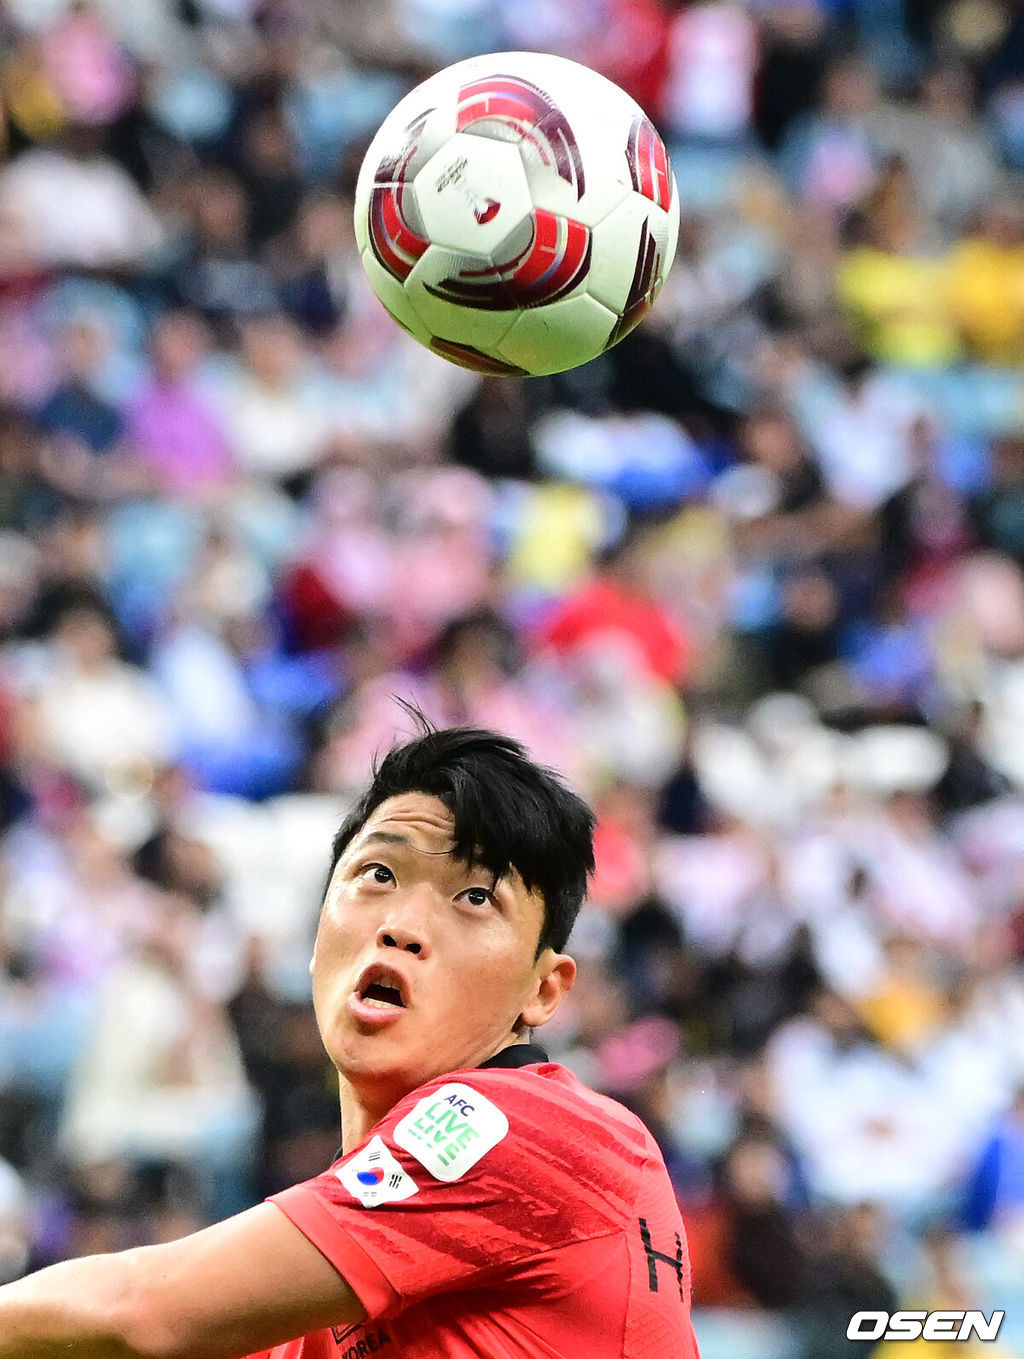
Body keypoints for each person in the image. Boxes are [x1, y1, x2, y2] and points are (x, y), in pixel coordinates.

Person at [0, 716, 700, 1358]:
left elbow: (140, 1311)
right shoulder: (307, 1310)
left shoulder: (529, 1130)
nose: (400, 924)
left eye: (476, 896)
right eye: (379, 873)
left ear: (544, 989)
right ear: (315, 938)